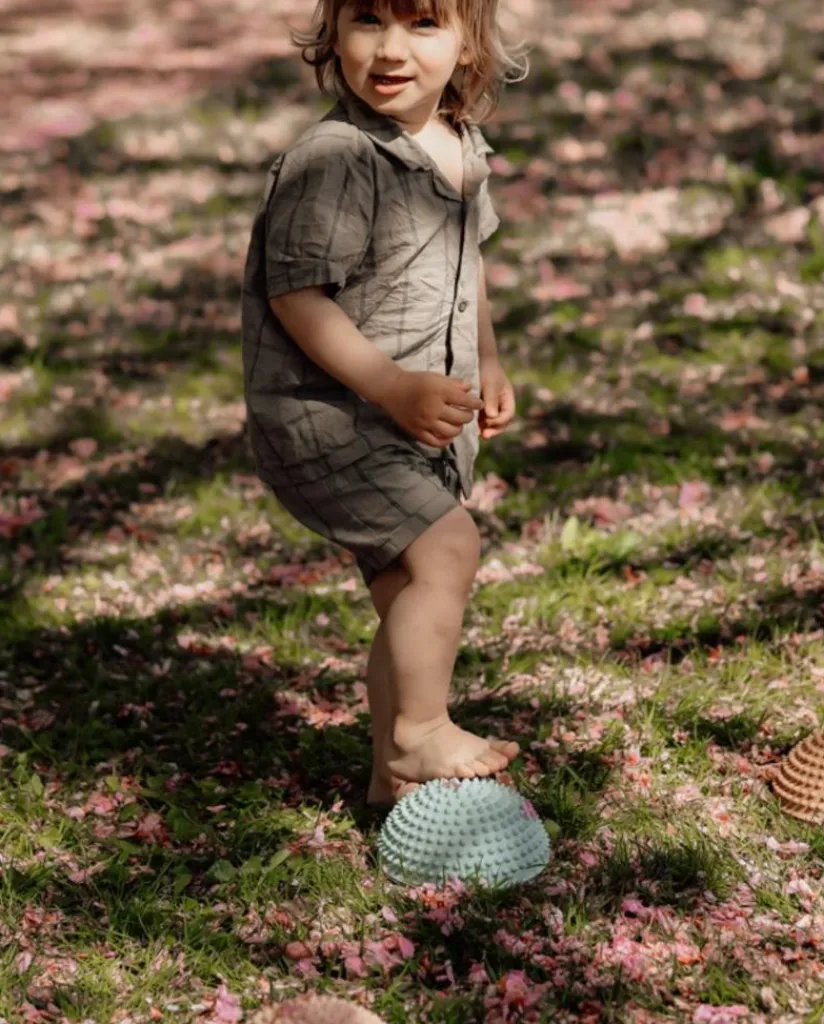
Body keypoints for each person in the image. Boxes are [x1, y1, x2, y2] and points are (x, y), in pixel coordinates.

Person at [241, 0, 530, 807]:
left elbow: (466, 264)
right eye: (369, 20)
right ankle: (419, 732)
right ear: (333, 34)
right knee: (446, 551)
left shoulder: (460, 145)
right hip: (328, 417)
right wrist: (394, 386)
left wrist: (490, 360)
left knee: (409, 590)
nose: (391, 48)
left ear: (469, 42)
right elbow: (298, 296)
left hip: (409, 418)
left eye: (423, 25)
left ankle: (389, 781)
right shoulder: (334, 160)